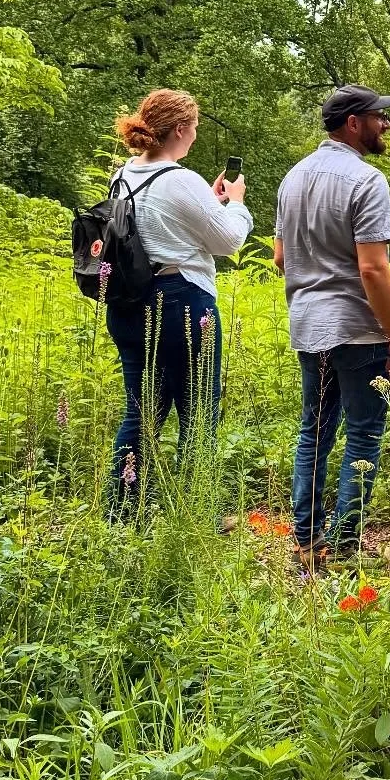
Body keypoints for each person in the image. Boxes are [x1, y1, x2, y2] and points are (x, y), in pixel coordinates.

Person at [274, 85, 390, 555]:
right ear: (353, 123)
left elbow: (280, 257)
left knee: (313, 430)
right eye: (379, 117)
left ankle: (308, 539)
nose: (386, 125)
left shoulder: (291, 178)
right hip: (356, 329)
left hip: (308, 324)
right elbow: (373, 267)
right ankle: (345, 545)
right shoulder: (367, 181)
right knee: (364, 433)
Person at [104, 88, 252, 511]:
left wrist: (208, 201)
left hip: (128, 302)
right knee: (199, 409)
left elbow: (159, 224)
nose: (196, 135)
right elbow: (228, 241)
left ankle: (124, 510)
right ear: (181, 129)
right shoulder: (179, 180)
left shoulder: (123, 174)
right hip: (181, 302)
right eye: (195, 128)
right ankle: (195, 511)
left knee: (142, 409)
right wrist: (236, 205)